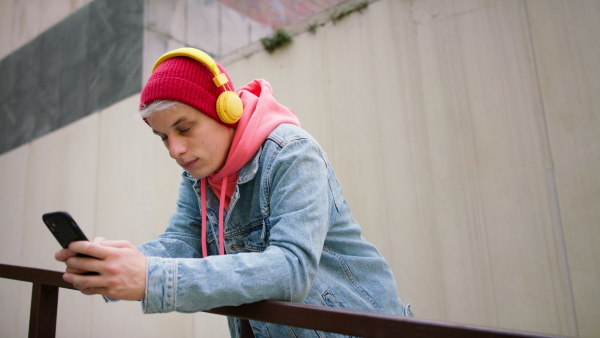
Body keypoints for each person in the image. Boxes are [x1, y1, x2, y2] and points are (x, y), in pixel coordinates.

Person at [55, 47, 413, 337]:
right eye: (164, 137)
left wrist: (152, 278)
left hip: (357, 329)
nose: (174, 150)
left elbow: (292, 269)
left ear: (226, 111)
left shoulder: (293, 153)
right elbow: (183, 241)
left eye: (184, 128)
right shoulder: (199, 173)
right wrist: (120, 264)